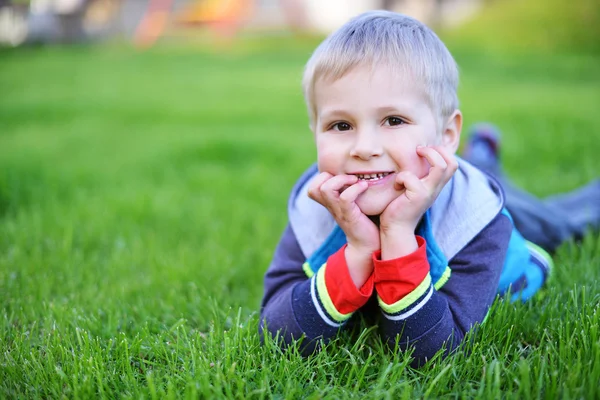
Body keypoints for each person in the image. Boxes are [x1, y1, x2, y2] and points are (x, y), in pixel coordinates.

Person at [258, 10, 583, 366]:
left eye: (394, 120)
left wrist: (396, 233)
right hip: (438, 164)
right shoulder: (316, 207)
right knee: (482, 170)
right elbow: (275, 334)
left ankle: (482, 156)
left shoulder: (475, 215)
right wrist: (358, 251)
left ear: (446, 134)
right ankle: (482, 150)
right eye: (340, 125)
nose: (364, 147)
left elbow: (432, 351)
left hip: (492, 212)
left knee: (563, 225)